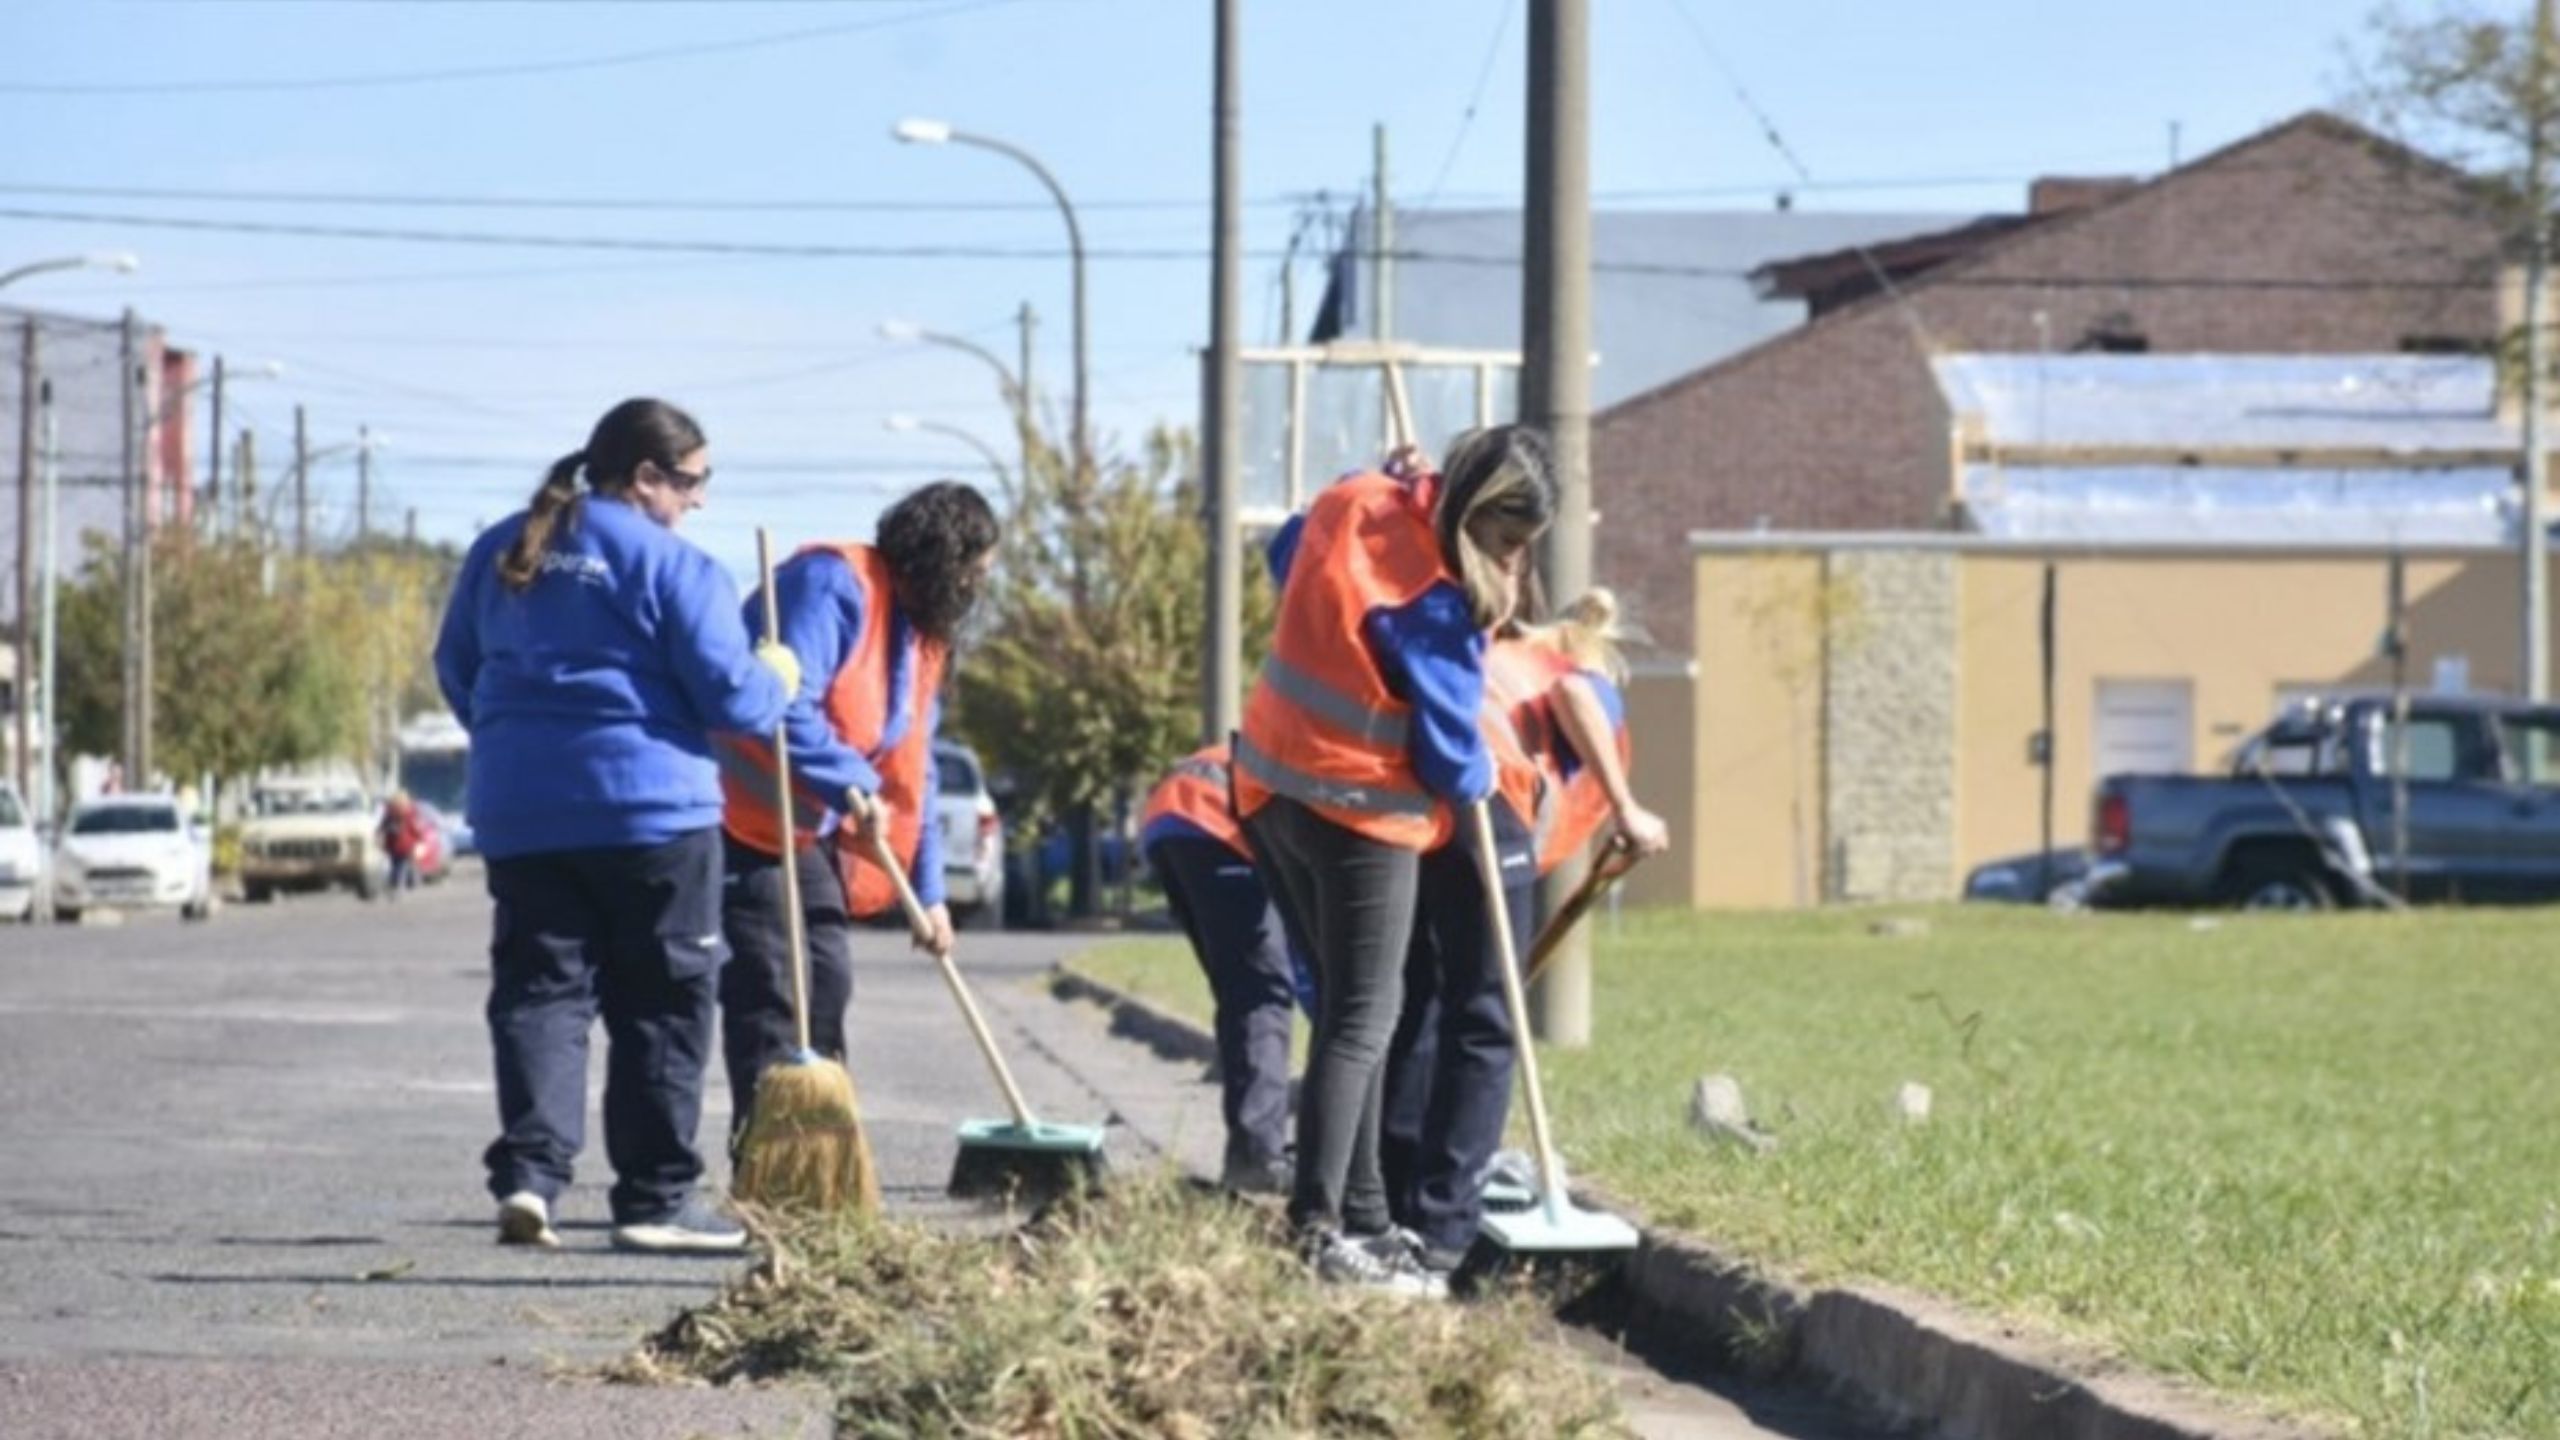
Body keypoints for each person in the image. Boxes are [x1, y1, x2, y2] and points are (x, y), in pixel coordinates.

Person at [434, 397, 797, 1255]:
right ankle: (655, 1198)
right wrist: (777, 674)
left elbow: (459, 671)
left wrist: (514, 745)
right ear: (645, 478)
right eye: (694, 482)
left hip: (522, 813)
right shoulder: (679, 568)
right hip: (652, 813)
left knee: (540, 993)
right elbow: (733, 700)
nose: (699, 502)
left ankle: (531, 1178)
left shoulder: (499, 549)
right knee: (662, 1003)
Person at [1235, 424, 1557, 1297]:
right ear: (1479, 518)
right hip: (1357, 808)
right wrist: (1490, 768)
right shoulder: (1438, 603)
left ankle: (1370, 1219)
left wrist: (1389, 477)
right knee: (1364, 1018)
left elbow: (1284, 549)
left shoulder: (1351, 498)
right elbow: (1453, 760)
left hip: (1268, 785)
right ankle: (1319, 1230)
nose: (1511, 563)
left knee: (1356, 1008)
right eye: (1507, 543)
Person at [1379, 588, 1672, 1278]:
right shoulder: (1573, 675)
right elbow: (1577, 701)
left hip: (1417, 805)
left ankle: (1391, 1201)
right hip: (1486, 808)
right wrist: (1628, 808)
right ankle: (1444, 1225)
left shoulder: (1497, 657)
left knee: (1416, 1004)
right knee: (1485, 1021)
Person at [711, 481, 999, 1138]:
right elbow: (782, 704)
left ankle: (818, 1152)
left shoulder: (922, 637)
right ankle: (766, 1157)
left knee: (828, 981)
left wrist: (928, 895)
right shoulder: (831, 586)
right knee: (774, 990)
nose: (978, 591)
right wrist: (847, 782)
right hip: (741, 814)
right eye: (975, 573)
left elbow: (915, 766)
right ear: (943, 559)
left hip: (808, 827)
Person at [1137, 744, 1310, 1196]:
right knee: (1261, 993)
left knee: (1245, 988)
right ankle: (1257, 1155)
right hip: (1216, 820)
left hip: (1171, 816)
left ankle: (1254, 1148)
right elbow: (1314, 969)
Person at [379, 792, 427, 899]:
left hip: (395, 845)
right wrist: (420, 839)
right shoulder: (409, 813)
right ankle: (402, 886)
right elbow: (416, 829)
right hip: (403, 846)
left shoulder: (390, 814)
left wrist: (381, 835)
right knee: (400, 867)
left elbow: (382, 828)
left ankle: (399, 887)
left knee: (398, 867)